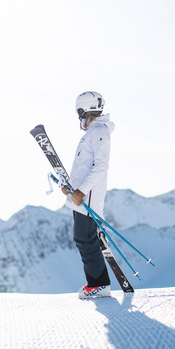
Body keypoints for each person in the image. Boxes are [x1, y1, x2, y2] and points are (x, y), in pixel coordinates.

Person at [62, 91, 115, 299]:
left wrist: (82, 191)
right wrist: (71, 188)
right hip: (81, 195)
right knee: (82, 238)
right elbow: (83, 168)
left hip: (88, 197)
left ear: (84, 110)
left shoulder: (99, 131)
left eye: (79, 113)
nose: (79, 118)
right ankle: (97, 283)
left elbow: (101, 166)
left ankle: (100, 285)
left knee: (84, 239)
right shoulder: (92, 133)